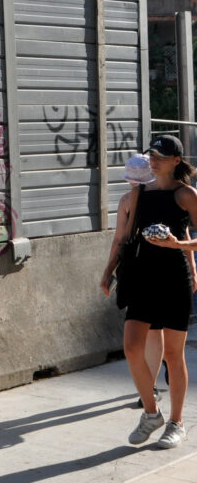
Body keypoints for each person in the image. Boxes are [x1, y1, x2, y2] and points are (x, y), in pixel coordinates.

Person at [105, 136, 197, 448]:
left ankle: (177, 422)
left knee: (173, 355)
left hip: (174, 281)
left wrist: (178, 246)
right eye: (152, 155)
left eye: (161, 156)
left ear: (176, 161)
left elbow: (193, 238)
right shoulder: (136, 195)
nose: (154, 160)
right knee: (132, 347)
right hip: (142, 280)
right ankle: (151, 412)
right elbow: (121, 239)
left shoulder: (186, 195)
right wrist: (107, 273)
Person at [101, 154, 165, 406]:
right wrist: (191, 270)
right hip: (161, 268)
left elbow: (119, 240)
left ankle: (146, 388)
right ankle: (150, 386)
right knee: (155, 330)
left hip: (134, 270)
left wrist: (107, 273)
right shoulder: (166, 197)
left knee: (140, 329)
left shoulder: (127, 201)